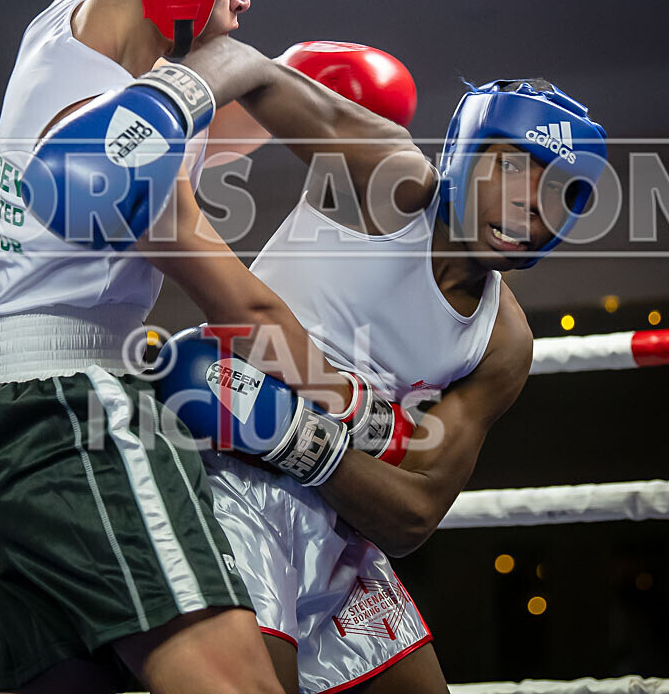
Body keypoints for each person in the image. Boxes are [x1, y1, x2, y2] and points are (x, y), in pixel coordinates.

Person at [0, 0, 392, 692]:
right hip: (82, 418)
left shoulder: (63, 24)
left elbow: (180, 132)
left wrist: (276, 79)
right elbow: (247, 310)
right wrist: (358, 409)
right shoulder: (107, 156)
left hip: (7, 435)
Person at [155, 62, 608, 692]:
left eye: (559, 188)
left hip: (341, 524)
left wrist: (300, 440)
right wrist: (156, 105)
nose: (528, 201)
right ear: (461, 155)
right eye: (508, 165)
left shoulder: (502, 342)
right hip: (230, 485)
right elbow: (253, 71)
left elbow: (413, 517)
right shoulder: (386, 179)